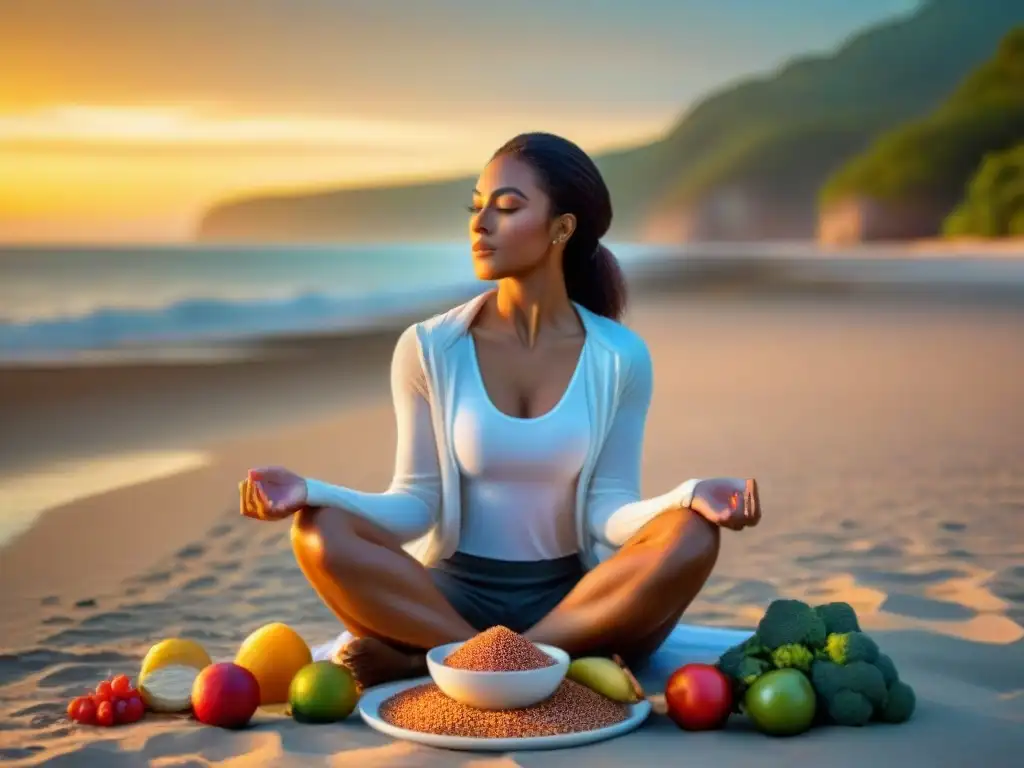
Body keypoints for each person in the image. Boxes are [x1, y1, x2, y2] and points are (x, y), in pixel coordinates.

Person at [239, 132, 762, 688]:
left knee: (693, 534)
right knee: (316, 531)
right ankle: (499, 659)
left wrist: (688, 497)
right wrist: (311, 493)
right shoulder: (430, 347)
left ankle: (445, 662)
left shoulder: (618, 356)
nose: (481, 222)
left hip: (576, 606)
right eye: (477, 205)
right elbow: (415, 504)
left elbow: (606, 510)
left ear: (562, 229)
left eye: (507, 207)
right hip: (448, 599)